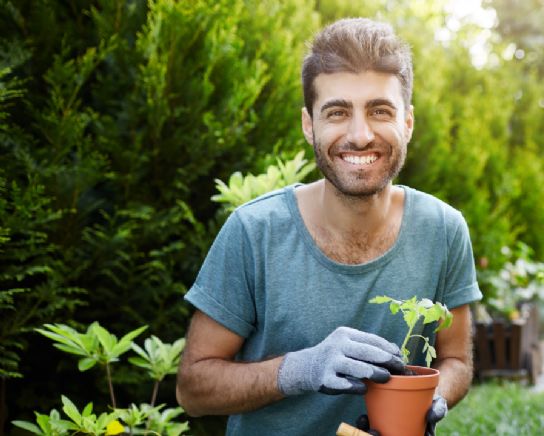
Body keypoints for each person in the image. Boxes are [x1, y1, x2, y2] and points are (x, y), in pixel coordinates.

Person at [175, 17, 482, 436]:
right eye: (337, 112)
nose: (360, 135)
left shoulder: (444, 230)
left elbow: (457, 362)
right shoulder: (253, 231)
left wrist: (433, 397)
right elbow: (193, 390)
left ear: (407, 123)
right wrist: (301, 369)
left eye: (380, 111)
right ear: (309, 125)